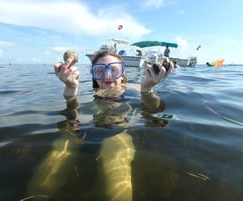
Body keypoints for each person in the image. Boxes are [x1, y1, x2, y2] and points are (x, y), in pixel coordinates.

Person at [27, 50, 174, 201]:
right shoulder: (88, 91)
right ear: (94, 75)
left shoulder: (136, 88)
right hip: (83, 130)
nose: (107, 76)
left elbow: (153, 108)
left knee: (117, 180)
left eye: (114, 69)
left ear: (123, 74)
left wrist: (148, 89)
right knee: (51, 168)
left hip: (117, 132)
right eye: (99, 71)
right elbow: (72, 112)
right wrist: (71, 88)